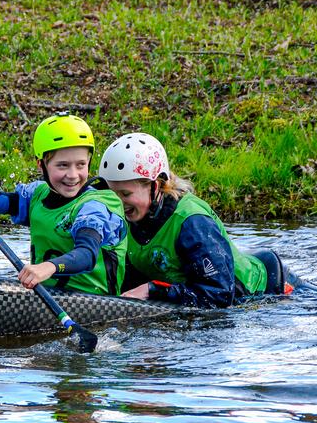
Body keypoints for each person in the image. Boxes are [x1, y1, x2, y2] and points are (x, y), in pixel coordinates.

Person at [98, 132, 305, 308]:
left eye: (125, 194)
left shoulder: (192, 222)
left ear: (156, 186)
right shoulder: (124, 217)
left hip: (269, 291)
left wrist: (153, 291)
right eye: (112, 195)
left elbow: (219, 295)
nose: (118, 203)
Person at [0, 114, 128, 295]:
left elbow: (87, 255)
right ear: (41, 164)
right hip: (47, 295)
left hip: (93, 302)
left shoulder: (94, 206)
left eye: (81, 165)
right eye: (62, 165)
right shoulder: (37, 195)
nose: (73, 175)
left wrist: (49, 267)